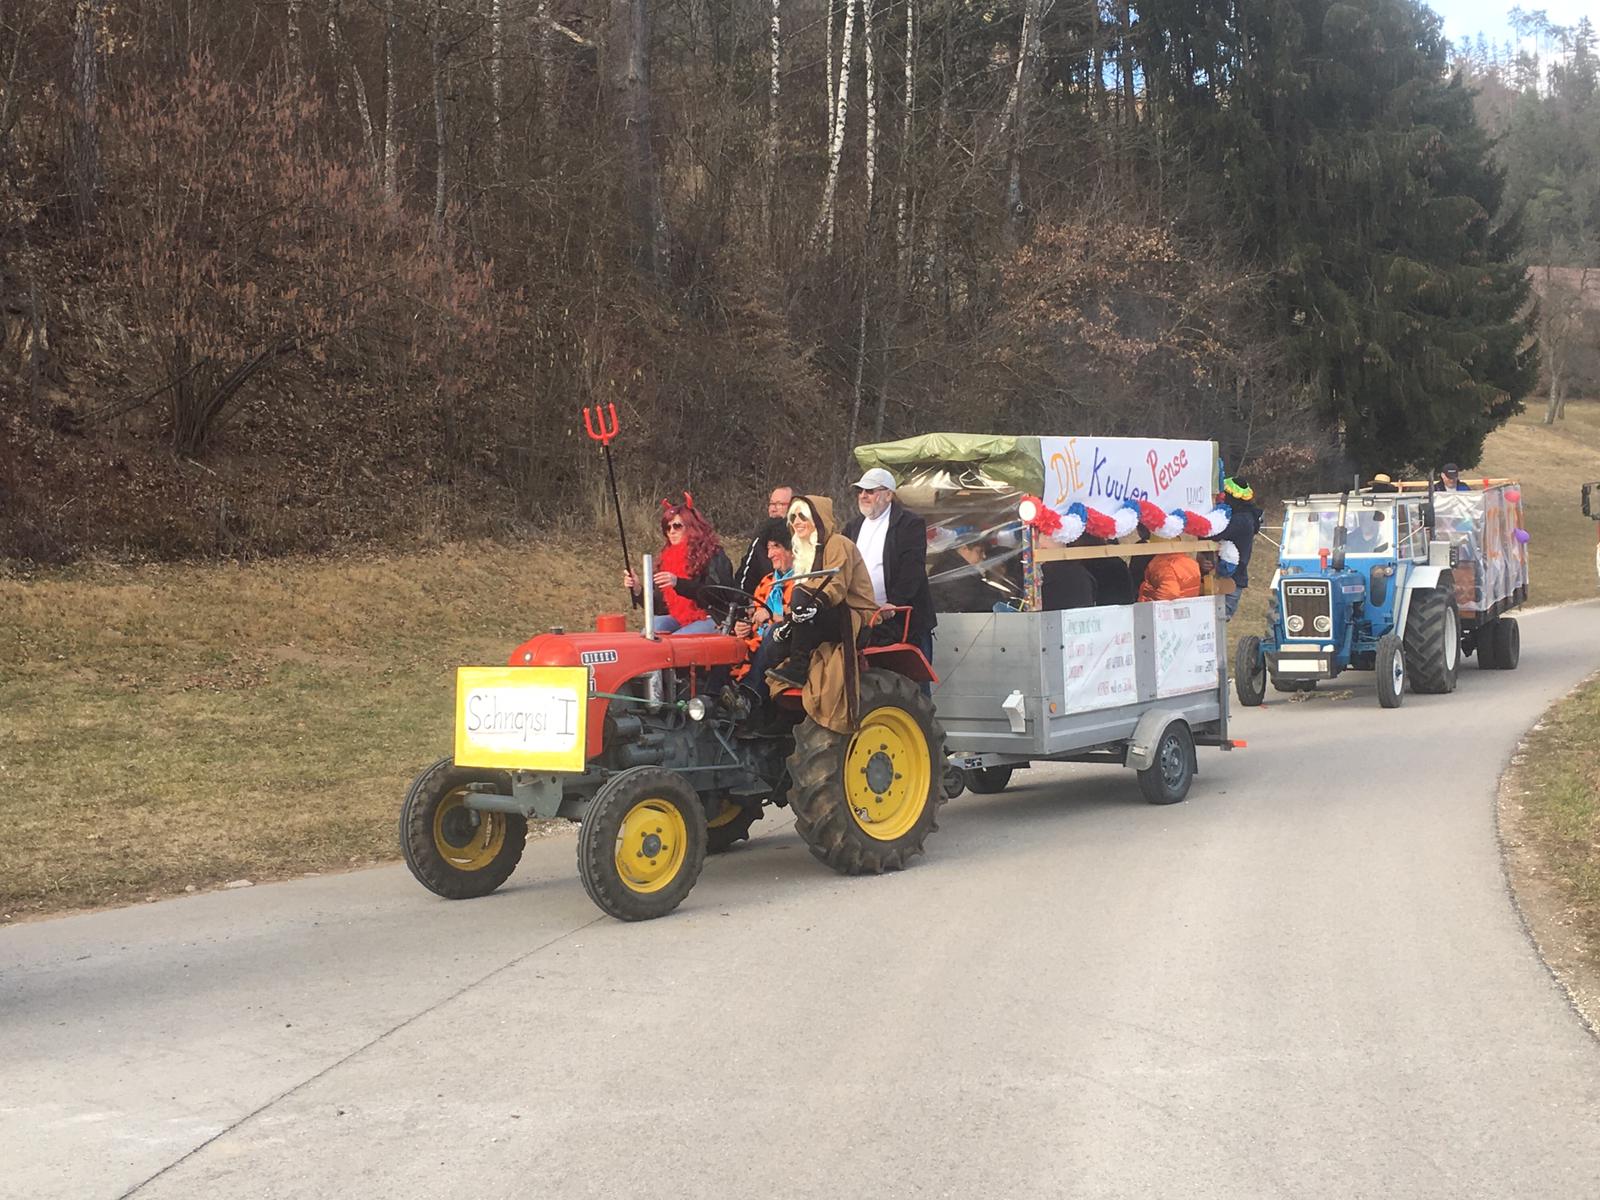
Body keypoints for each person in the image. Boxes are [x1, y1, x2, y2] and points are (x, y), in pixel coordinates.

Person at [763, 495, 881, 734]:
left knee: (800, 593)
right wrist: (790, 622)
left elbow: (836, 585)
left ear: (818, 518)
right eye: (793, 517)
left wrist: (813, 606)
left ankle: (799, 667)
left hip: (851, 613)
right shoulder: (805, 549)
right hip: (823, 611)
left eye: (802, 516)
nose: (796, 521)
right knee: (774, 640)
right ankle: (770, 712)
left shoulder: (838, 543)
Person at [842, 467, 936, 660]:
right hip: (865, 620)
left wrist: (894, 602)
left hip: (903, 619)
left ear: (888, 495)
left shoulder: (909, 524)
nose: (863, 495)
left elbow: (913, 569)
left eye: (870, 491)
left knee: (911, 675)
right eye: (860, 490)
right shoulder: (853, 527)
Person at [622, 493, 733, 634]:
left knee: (678, 641)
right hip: (678, 618)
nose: (671, 532)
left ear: (691, 527)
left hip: (712, 616)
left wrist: (678, 583)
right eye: (667, 528)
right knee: (650, 631)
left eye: (677, 526)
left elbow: (718, 594)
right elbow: (660, 608)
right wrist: (638, 590)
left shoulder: (712, 554)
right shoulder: (666, 558)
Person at [733, 517, 797, 683]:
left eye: (776, 546)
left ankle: (750, 691)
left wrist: (770, 615)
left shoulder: (802, 584)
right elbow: (754, 618)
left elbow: (797, 624)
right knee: (724, 645)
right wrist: (743, 627)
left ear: (792, 549)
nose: (770, 554)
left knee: (769, 635)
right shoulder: (766, 582)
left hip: (784, 647)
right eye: (768, 548)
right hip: (755, 642)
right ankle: (709, 695)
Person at [930, 529, 1024, 613]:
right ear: (964, 548)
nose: (984, 556)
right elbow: (969, 601)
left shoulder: (959, 570)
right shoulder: (950, 572)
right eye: (979, 551)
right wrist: (1001, 600)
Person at [734, 484, 797, 595]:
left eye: (779, 504)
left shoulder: (806, 540)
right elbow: (744, 580)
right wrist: (747, 600)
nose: (773, 509)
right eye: (771, 504)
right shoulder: (760, 539)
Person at [1218, 476, 1264, 619]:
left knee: (1219, 620)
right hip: (1233, 577)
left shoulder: (1241, 520)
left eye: (1225, 495)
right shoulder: (1247, 517)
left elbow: (1216, 534)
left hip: (1231, 578)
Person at [1138, 551, 1202, 601]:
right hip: (1190, 608)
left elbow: (1170, 593)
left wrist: (1147, 592)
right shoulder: (1191, 562)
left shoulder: (1162, 565)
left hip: (1169, 610)